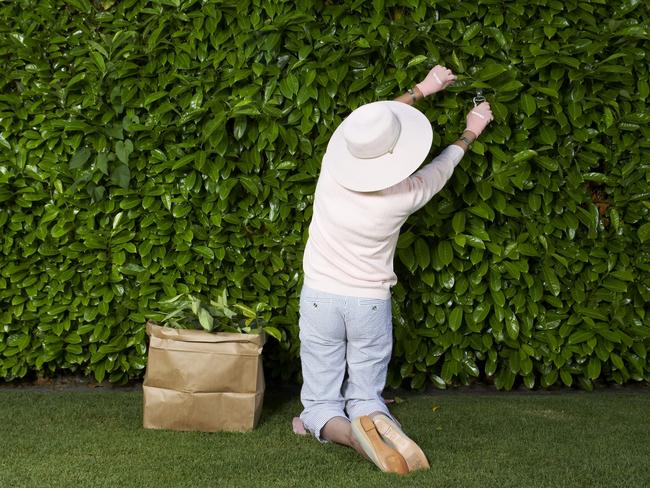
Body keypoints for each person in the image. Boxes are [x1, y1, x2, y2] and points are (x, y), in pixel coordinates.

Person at [296, 65, 493, 474]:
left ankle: (347, 433)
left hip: (321, 299)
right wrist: (472, 129)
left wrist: (421, 88)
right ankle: (378, 423)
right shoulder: (407, 194)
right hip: (369, 303)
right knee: (367, 395)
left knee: (319, 405)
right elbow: (446, 162)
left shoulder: (332, 169)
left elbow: (361, 128)